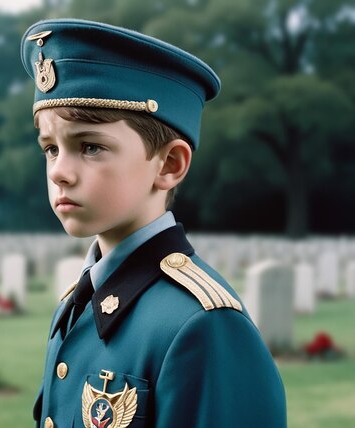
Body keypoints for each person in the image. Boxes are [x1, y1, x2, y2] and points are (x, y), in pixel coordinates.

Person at [20, 19, 287, 428]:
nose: (59, 171)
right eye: (51, 149)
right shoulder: (77, 303)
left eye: (90, 146)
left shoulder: (202, 325)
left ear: (169, 164)